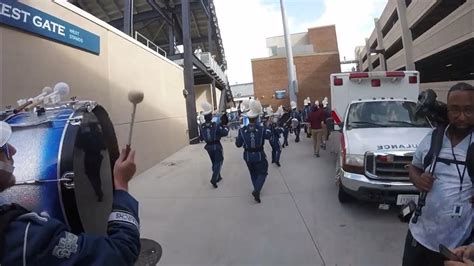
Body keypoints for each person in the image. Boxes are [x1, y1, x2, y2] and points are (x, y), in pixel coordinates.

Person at [0, 121, 140, 265]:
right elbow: (120, 253)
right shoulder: (27, 238)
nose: (12, 150)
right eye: (3, 147)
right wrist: (121, 184)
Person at [403, 82, 474, 266]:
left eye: (468, 110)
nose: (461, 117)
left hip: (457, 246)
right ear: (446, 110)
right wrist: (418, 179)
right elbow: (413, 167)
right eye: (454, 110)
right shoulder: (433, 138)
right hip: (419, 236)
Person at [235, 100, 272, 203]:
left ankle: (256, 189)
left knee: (253, 173)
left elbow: (238, 144)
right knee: (263, 172)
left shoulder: (242, 130)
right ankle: (257, 190)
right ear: (257, 118)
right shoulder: (262, 129)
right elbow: (269, 136)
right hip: (259, 155)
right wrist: (268, 126)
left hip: (247, 156)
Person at [199, 102, 229, 188]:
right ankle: (214, 178)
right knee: (219, 162)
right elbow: (225, 133)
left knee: (214, 162)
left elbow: (201, 138)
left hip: (208, 147)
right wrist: (225, 126)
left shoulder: (202, 126)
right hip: (216, 146)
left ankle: (218, 177)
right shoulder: (215, 125)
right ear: (211, 116)